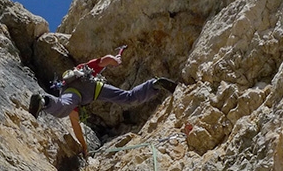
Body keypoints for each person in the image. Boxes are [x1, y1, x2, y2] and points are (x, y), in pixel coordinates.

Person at [28, 48, 177, 155]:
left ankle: (44, 101)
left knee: (63, 108)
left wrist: (84, 147)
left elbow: (75, 124)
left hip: (70, 91)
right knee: (129, 97)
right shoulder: (83, 68)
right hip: (92, 86)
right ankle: (154, 84)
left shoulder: (69, 82)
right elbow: (104, 61)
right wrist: (115, 60)